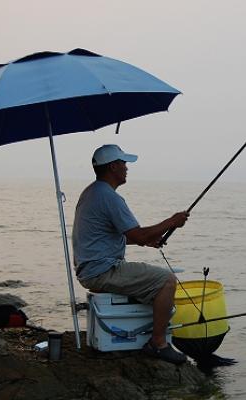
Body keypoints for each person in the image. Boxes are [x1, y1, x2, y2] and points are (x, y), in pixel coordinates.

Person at [72, 144, 189, 364]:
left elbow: (120, 236)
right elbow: (139, 234)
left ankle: (144, 335)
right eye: (124, 163)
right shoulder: (109, 197)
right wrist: (171, 222)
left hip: (90, 270)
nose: (127, 168)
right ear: (114, 166)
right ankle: (158, 343)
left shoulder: (92, 192)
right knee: (167, 281)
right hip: (103, 271)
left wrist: (146, 241)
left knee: (156, 280)